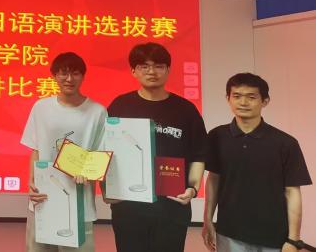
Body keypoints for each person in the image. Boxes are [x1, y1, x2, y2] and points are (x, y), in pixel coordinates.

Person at [106, 42, 207, 252]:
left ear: (168, 70)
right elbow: (105, 151)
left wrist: (192, 188)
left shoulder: (185, 109)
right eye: (144, 66)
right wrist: (107, 189)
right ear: (133, 71)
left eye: (158, 66)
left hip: (172, 207)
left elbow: (199, 154)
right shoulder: (120, 106)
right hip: (129, 207)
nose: (151, 71)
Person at [202, 73, 312, 252]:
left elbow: (292, 192)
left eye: (251, 97)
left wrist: (294, 239)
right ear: (228, 99)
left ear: (265, 101)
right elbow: (214, 179)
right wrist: (207, 220)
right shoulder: (217, 136)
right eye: (237, 96)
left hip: (273, 235)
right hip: (229, 232)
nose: (243, 102)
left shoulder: (285, 143)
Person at [21, 51, 108, 252]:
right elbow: (36, 149)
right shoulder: (41, 107)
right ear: (54, 75)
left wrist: (88, 172)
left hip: (79, 199)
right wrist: (32, 182)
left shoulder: (97, 111)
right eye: (63, 73)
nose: (69, 79)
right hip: (44, 196)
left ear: (83, 76)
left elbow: (101, 154)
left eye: (75, 73)